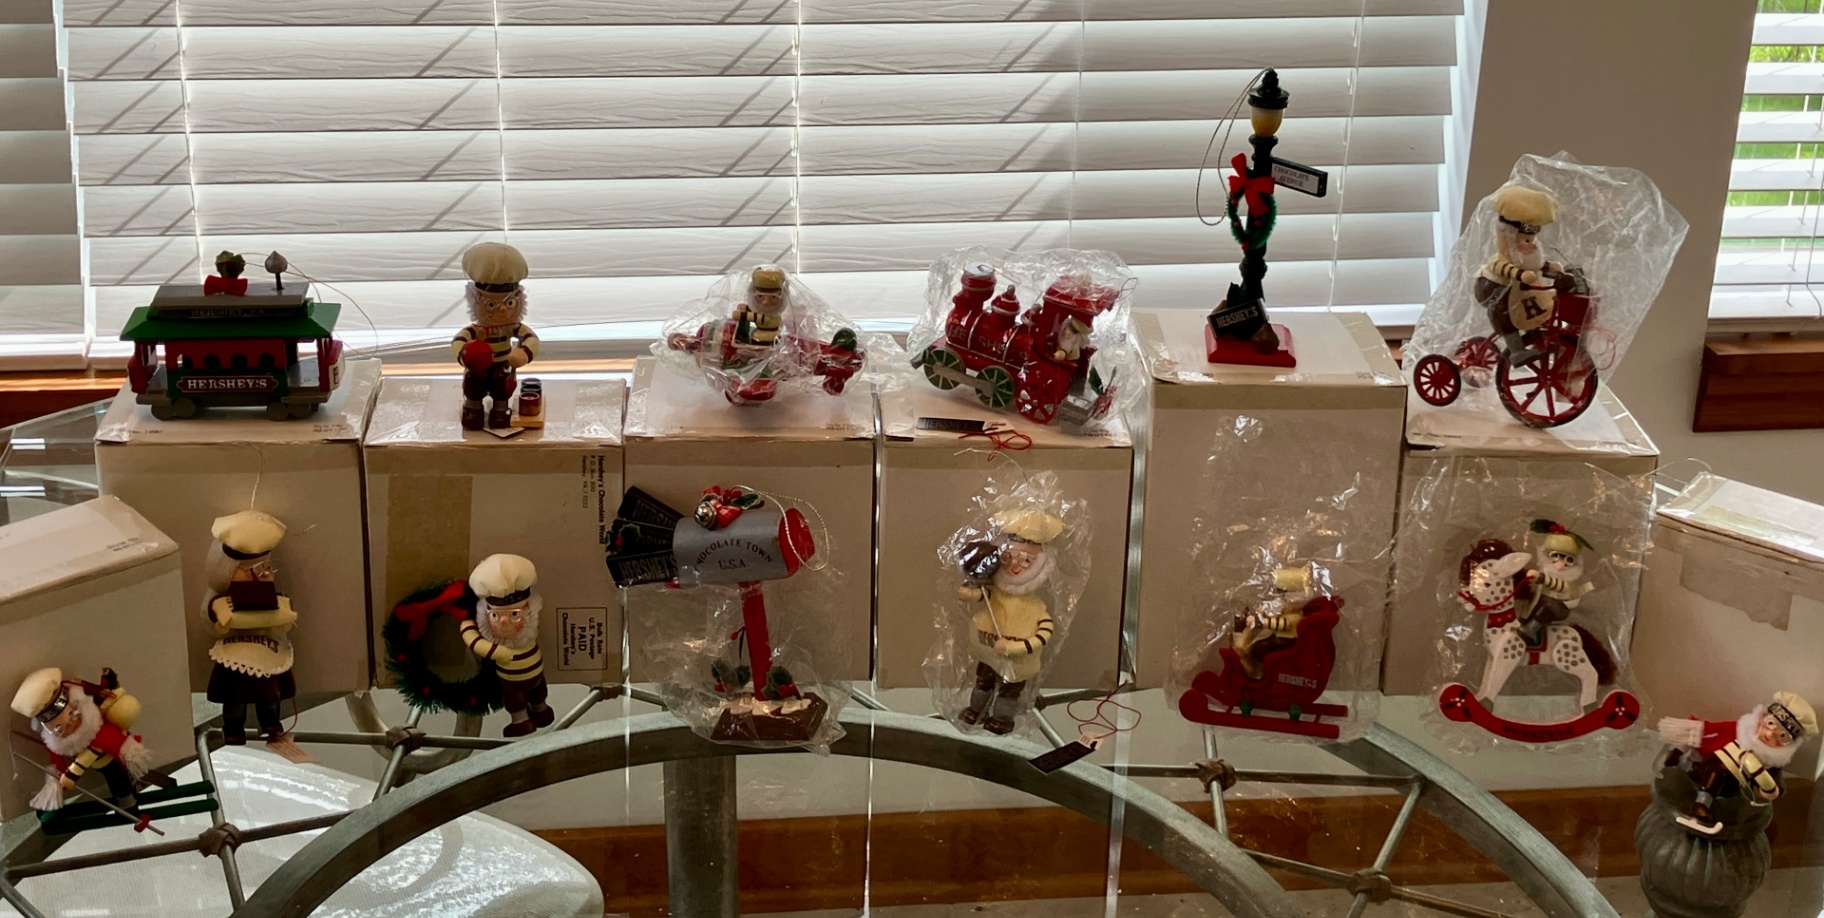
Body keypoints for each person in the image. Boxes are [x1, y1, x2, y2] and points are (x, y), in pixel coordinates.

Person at [957, 507, 1064, 735]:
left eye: (1026, 561)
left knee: (1010, 690)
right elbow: (984, 595)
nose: (1015, 566)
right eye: (1008, 558)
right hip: (987, 650)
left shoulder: (1035, 607)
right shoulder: (996, 591)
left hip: (1017, 661)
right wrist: (970, 593)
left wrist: (1016, 647)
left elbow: (1044, 633)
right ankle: (977, 710)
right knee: (983, 682)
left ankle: (1001, 718)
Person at [1658, 692, 1819, 835]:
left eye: (1782, 736)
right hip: (1717, 764)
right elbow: (1717, 731)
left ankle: (1680, 760)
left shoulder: (1773, 761)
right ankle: (1701, 806)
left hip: (1735, 788)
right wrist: (1694, 733)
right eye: (1771, 724)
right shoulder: (1743, 733)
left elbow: (1776, 782)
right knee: (1715, 772)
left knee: (1700, 775)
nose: (1771, 735)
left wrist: (1771, 789)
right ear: (1763, 718)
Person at [204, 510, 297, 745]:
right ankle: (233, 726)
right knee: (235, 695)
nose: (259, 576)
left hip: (267, 651)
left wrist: (282, 617)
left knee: (269, 693)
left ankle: (270, 721)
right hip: (234, 654)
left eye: (265, 569)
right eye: (248, 571)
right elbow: (214, 622)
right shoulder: (220, 599)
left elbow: (285, 622)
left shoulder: (276, 598)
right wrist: (221, 620)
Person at [12, 668, 152, 813]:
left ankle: (128, 802)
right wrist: (58, 779)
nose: (70, 725)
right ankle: (128, 797)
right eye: (59, 728)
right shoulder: (57, 742)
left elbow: (95, 748)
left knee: (118, 778)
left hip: (111, 754)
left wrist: (72, 774)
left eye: (73, 715)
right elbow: (57, 759)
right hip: (101, 763)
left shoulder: (94, 721)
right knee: (116, 777)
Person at [460, 554, 552, 738]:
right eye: (495, 616)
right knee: (521, 698)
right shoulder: (519, 642)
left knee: (530, 695)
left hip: (524, 680)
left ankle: (535, 713)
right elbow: (478, 643)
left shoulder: (509, 647)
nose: (503, 622)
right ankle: (528, 718)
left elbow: (477, 644)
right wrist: (468, 626)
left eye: (514, 615)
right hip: (524, 679)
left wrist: (467, 627)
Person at [452, 242, 539, 430]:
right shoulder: (478, 329)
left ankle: (501, 409)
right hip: (479, 365)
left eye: (509, 303)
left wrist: (524, 353)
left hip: (503, 363)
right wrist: (466, 355)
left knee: (501, 377)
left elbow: (531, 338)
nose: (501, 309)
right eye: (491, 304)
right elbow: (460, 340)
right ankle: (473, 407)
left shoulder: (511, 327)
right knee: (475, 378)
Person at [1475, 185, 1565, 360]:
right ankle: (1517, 351)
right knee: (1504, 313)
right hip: (1494, 288)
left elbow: (1532, 265)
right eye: (1524, 240)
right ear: (1508, 236)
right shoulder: (1502, 257)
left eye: (1531, 239)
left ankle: (1535, 335)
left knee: (1535, 307)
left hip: (1519, 289)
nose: (1530, 244)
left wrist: (1548, 268)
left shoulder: (1524, 255)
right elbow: (1500, 267)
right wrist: (1519, 274)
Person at [1229, 567, 1315, 681]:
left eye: (1284, 593)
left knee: (1260, 648)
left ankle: (1250, 657)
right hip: (1277, 634)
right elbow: (1275, 612)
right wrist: (1263, 613)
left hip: (1286, 639)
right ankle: (1242, 645)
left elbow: (1283, 625)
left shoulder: (1295, 616)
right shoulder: (1286, 609)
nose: (1283, 598)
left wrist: (1260, 622)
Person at [734, 264, 788, 347]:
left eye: (773, 297)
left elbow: (757, 317)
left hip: (767, 338)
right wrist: (746, 307)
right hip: (764, 335)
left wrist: (741, 315)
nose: (765, 302)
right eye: (760, 297)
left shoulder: (769, 316)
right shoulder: (771, 312)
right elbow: (758, 310)